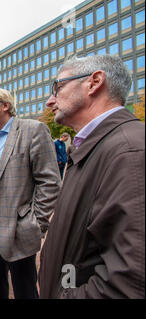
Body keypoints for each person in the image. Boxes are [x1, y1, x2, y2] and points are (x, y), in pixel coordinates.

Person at [40, 55, 145, 299]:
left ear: (94, 82)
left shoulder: (128, 152)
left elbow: (129, 283)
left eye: (58, 87)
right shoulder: (97, 146)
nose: (49, 101)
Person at [0, 88, 61, 299]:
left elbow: (50, 182)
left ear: (5, 105)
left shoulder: (33, 130)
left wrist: (34, 223)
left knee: (25, 289)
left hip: (18, 226)